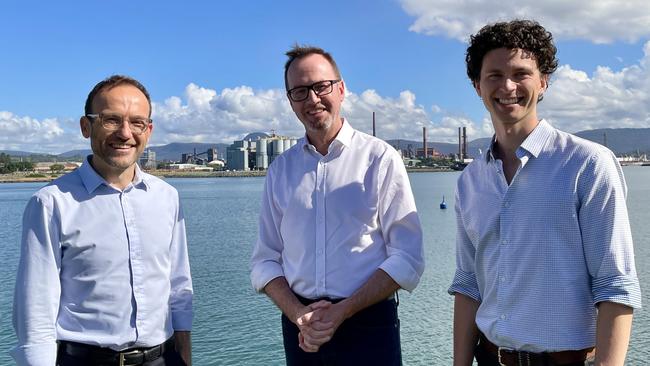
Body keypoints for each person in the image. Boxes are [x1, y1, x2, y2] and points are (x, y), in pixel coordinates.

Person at [449, 20, 642, 366]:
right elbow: (468, 285)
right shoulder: (470, 181)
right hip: (490, 357)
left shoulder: (588, 165)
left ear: (543, 82)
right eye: (494, 75)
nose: (507, 86)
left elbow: (615, 285)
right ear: (477, 86)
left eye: (521, 73)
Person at [250, 45, 425, 365]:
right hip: (302, 330)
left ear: (341, 89)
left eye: (321, 86)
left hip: (369, 325)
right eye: (300, 91)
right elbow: (265, 260)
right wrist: (298, 313)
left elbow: (408, 257)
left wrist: (343, 310)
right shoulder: (280, 171)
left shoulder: (380, 159)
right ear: (291, 102)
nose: (312, 99)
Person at [12, 75, 193, 366]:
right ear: (86, 126)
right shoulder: (52, 203)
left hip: (163, 358)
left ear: (149, 130)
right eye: (111, 120)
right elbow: (36, 308)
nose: (125, 133)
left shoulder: (166, 197)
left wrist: (184, 356)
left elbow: (178, 285)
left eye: (137, 122)